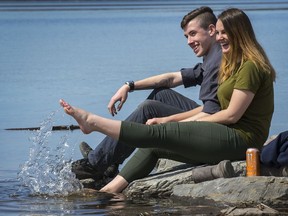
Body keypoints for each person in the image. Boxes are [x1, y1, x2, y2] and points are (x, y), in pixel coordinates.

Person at [60, 7, 276, 193]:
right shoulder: (227, 61)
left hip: (240, 139)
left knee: (157, 129)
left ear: (239, 33)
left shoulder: (241, 64)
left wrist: (173, 124)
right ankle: (109, 190)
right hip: (227, 129)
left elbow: (228, 114)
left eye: (223, 33)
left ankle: (94, 127)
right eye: (219, 33)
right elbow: (172, 78)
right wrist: (130, 85)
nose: (220, 38)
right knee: (156, 121)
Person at [72, 6, 222, 182]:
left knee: (148, 108)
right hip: (212, 119)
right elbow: (171, 78)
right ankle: (111, 160)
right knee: (161, 94)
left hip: (216, 131)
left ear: (211, 30)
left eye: (193, 34)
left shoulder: (217, 62)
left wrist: (167, 122)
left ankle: (96, 165)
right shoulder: (212, 57)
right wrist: (129, 85)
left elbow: (211, 112)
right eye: (186, 36)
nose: (189, 41)